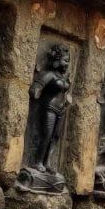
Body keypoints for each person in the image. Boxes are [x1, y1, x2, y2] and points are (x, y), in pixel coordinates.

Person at [29, 43, 71, 172]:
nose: (67, 64)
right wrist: (36, 90)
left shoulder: (62, 77)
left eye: (68, 62)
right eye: (65, 61)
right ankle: (38, 161)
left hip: (61, 109)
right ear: (56, 60)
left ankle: (47, 162)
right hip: (49, 107)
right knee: (46, 135)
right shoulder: (49, 75)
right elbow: (36, 87)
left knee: (55, 137)